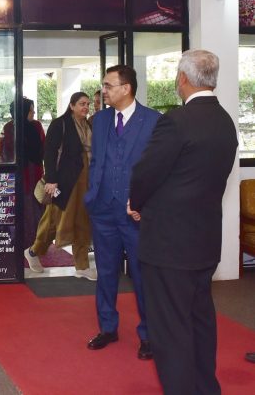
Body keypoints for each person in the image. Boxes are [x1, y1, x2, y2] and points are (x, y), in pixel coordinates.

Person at [129, 50, 237, 394]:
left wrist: (136, 203)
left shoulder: (176, 121)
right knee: (200, 322)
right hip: (205, 241)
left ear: (183, 79)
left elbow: (147, 172)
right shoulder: (225, 121)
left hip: (169, 246)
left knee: (170, 330)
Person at [84, 65, 160, 359]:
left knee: (142, 275)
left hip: (135, 214)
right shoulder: (101, 120)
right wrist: (92, 195)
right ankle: (107, 328)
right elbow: (96, 161)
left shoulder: (153, 120)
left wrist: (145, 204)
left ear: (126, 88)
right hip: (102, 210)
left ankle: (149, 335)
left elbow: (157, 168)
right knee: (105, 273)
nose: (103, 90)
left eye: (108, 85)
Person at [24, 92, 95, 280]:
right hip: (64, 182)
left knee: (82, 221)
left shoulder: (88, 125)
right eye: (82, 104)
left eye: (87, 104)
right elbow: (49, 152)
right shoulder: (60, 124)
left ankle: (82, 266)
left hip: (85, 180)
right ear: (71, 105)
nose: (86, 107)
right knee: (53, 221)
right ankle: (33, 251)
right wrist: (51, 180)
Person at [0, 97, 45, 246]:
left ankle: (35, 240)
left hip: (33, 174)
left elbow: (44, 148)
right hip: (19, 175)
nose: (33, 113)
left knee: (34, 205)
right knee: (23, 205)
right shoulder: (9, 128)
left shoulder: (35, 126)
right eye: (31, 111)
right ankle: (24, 239)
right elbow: (2, 152)